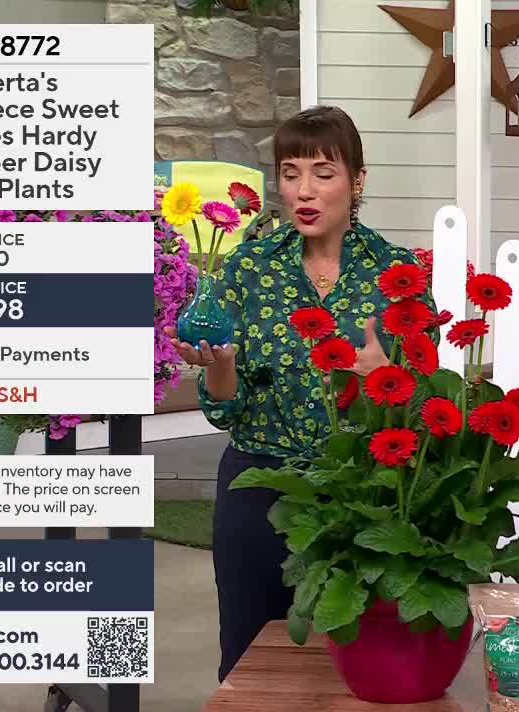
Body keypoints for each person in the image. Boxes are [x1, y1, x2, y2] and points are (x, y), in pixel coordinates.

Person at [166, 105, 435, 681]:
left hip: (363, 490)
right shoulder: (247, 269)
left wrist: (386, 379)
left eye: (323, 172)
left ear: (357, 181)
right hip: (259, 483)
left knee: (359, 658)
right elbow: (225, 409)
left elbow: (423, 404)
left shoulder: (397, 274)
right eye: (291, 173)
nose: (304, 190)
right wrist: (219, 367)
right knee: (250, 657)